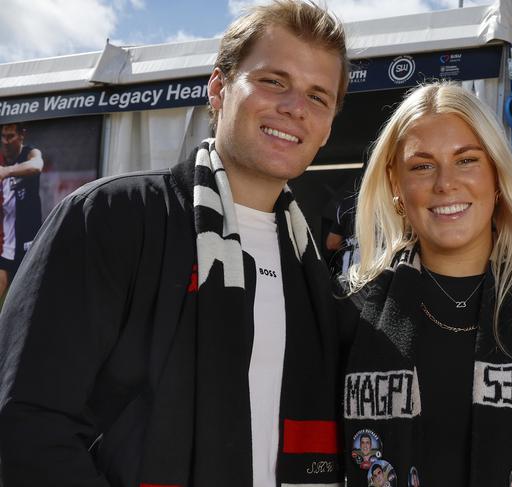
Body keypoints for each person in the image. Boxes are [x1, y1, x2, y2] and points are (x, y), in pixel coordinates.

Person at [0, 2, 348, 486]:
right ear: (219, 88)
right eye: (273, 81)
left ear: (329, 125)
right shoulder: (111, 219)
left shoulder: (314, 274)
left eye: (318, 96)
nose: (295, 108)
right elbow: (28, 423)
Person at [337, 83, 512, 487]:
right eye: (422, 166)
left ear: (496, 176)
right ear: (396, 185)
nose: (445, 184)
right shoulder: (353, 309)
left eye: (466, 160)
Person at [0, 123, 43, 298]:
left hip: (27, 240)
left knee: (26, 299)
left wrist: (7, 171)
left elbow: (37, 165)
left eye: (10, 136)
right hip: (5, 242)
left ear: (21, 136)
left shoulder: (30, 153)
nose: (6, 141)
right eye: (3, 136)